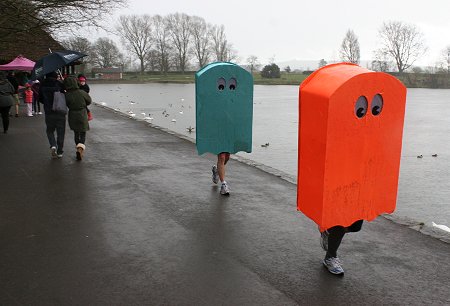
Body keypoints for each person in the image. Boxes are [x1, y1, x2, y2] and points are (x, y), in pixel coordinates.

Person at [63, 76, 92, 161]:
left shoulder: (66, 95)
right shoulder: (82, 92)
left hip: (72, 114)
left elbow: (66, 104)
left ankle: (78, 148)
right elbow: (89, 101)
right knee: (83, 132)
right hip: (82, 113)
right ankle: (80, 149)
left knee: (76, 133)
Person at [39, 71, 65, 158]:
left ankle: (53, 145)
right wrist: (63, 82)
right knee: (60, 132)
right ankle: (60, 152)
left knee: (50, 130)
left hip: (49, 112)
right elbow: (65, 94)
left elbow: (40, 99)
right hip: (60, 111)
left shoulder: (42, 85)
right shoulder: (59, 84)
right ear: (56, 76)